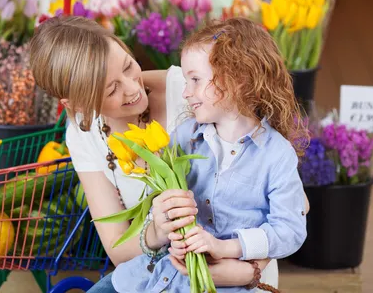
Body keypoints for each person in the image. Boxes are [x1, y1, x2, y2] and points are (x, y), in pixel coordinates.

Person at [29, 16, 282, 292]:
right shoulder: (83, 133)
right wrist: (157, 232)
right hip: (158, 273)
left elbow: (293, 201)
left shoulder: (193, 91)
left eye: (127, 66)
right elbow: (117, 248)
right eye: (112, 89)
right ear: (76, 103)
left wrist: (248, 270)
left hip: (236, 269)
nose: (132, 88)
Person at [111, 17, 309, 293]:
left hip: (225, 285)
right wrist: (168, 227)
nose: (186, 92)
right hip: (161, 275)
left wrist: (224, 247)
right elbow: (159, 207)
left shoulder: (276, 155)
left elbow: (290, 231)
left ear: (237, 79)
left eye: (195, 79)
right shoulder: (184, 136)